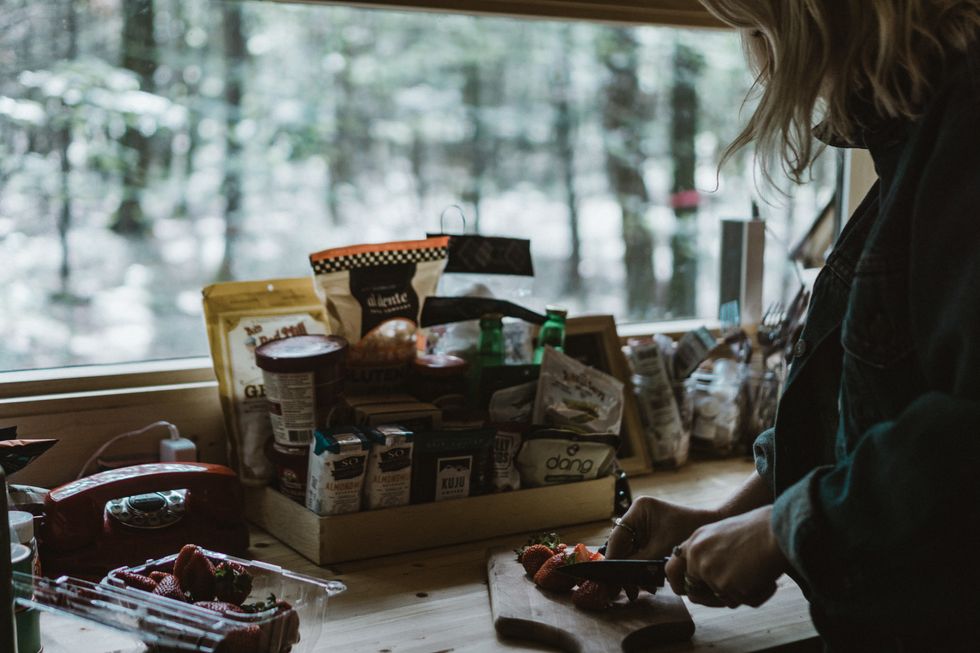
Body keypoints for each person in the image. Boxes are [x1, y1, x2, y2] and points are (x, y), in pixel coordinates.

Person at [605, 1, 980, 650]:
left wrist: (782, 528)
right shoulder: (919, 136)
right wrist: (735, 512)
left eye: (757, 27)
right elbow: (869, 393)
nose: (760, 60)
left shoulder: (967, 137)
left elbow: (962, 443)